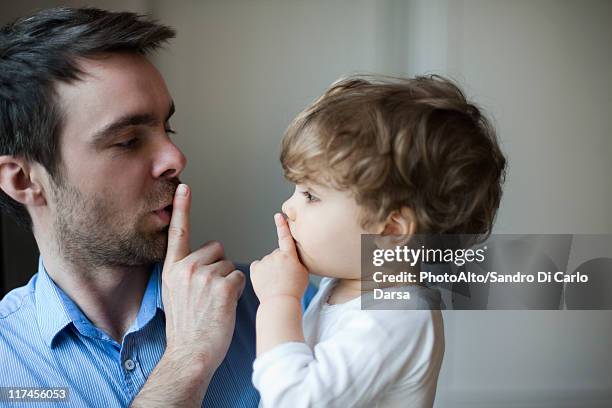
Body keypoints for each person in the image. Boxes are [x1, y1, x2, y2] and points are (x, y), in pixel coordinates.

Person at [0, 7, 260, 407]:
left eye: (166, 128)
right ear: (23, 180)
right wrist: (187, 359)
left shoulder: (265, 295)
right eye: (127, 140)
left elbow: (391, 282)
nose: (175, 157)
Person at [250, 75, 507, 407]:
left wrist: (278, 300)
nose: (288, 207)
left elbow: (295, 400)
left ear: (390, 230)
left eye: (311, 195)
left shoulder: (396, 317)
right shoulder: (345, 285)